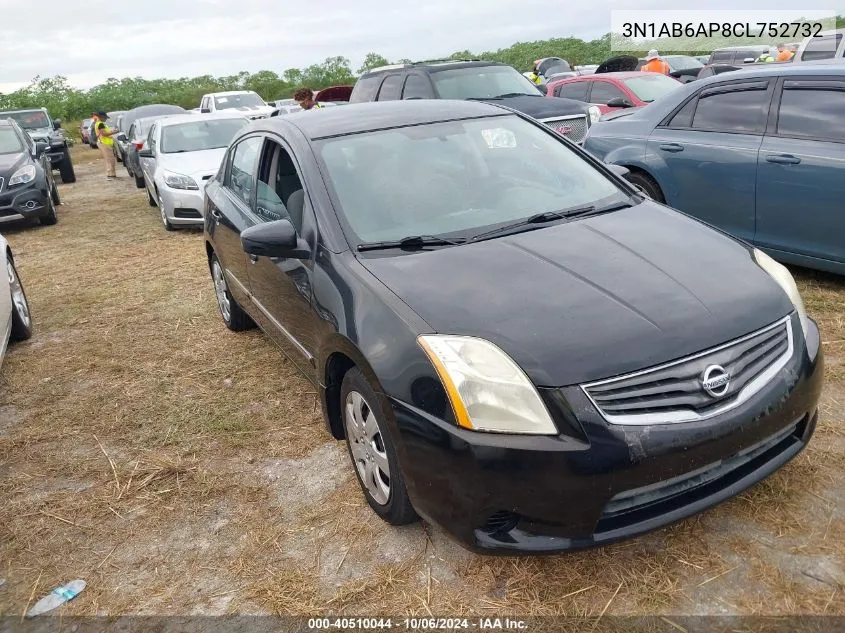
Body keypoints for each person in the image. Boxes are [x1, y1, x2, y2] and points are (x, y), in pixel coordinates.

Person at [92, 111, 118, 179]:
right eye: (105, 118)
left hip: (104, 142)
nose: (106, 119)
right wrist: (116, 131)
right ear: (101, 117)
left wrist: (111, 132)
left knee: (108, 159)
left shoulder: (99, 123)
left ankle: (111, 173)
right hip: (104, 143)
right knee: (110, 159)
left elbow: (105, 133)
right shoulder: (100, 124)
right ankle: (111, 173)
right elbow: (104, 134)